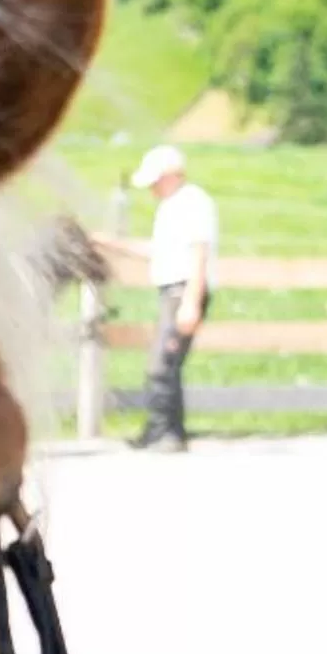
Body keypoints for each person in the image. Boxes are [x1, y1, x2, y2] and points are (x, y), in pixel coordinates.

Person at [127, 141, 217, 453]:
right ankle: (160, 431)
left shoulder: (192, 203)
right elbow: (159, 251)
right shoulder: (172, 207)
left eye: (155, 180)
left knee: (162, 364)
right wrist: (110, 243)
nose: (152, 187)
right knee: (165, 363)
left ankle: (167, 434)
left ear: (170, 175)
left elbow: (199, 252)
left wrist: (192, 301)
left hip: (183, 291)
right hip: (174, 291)